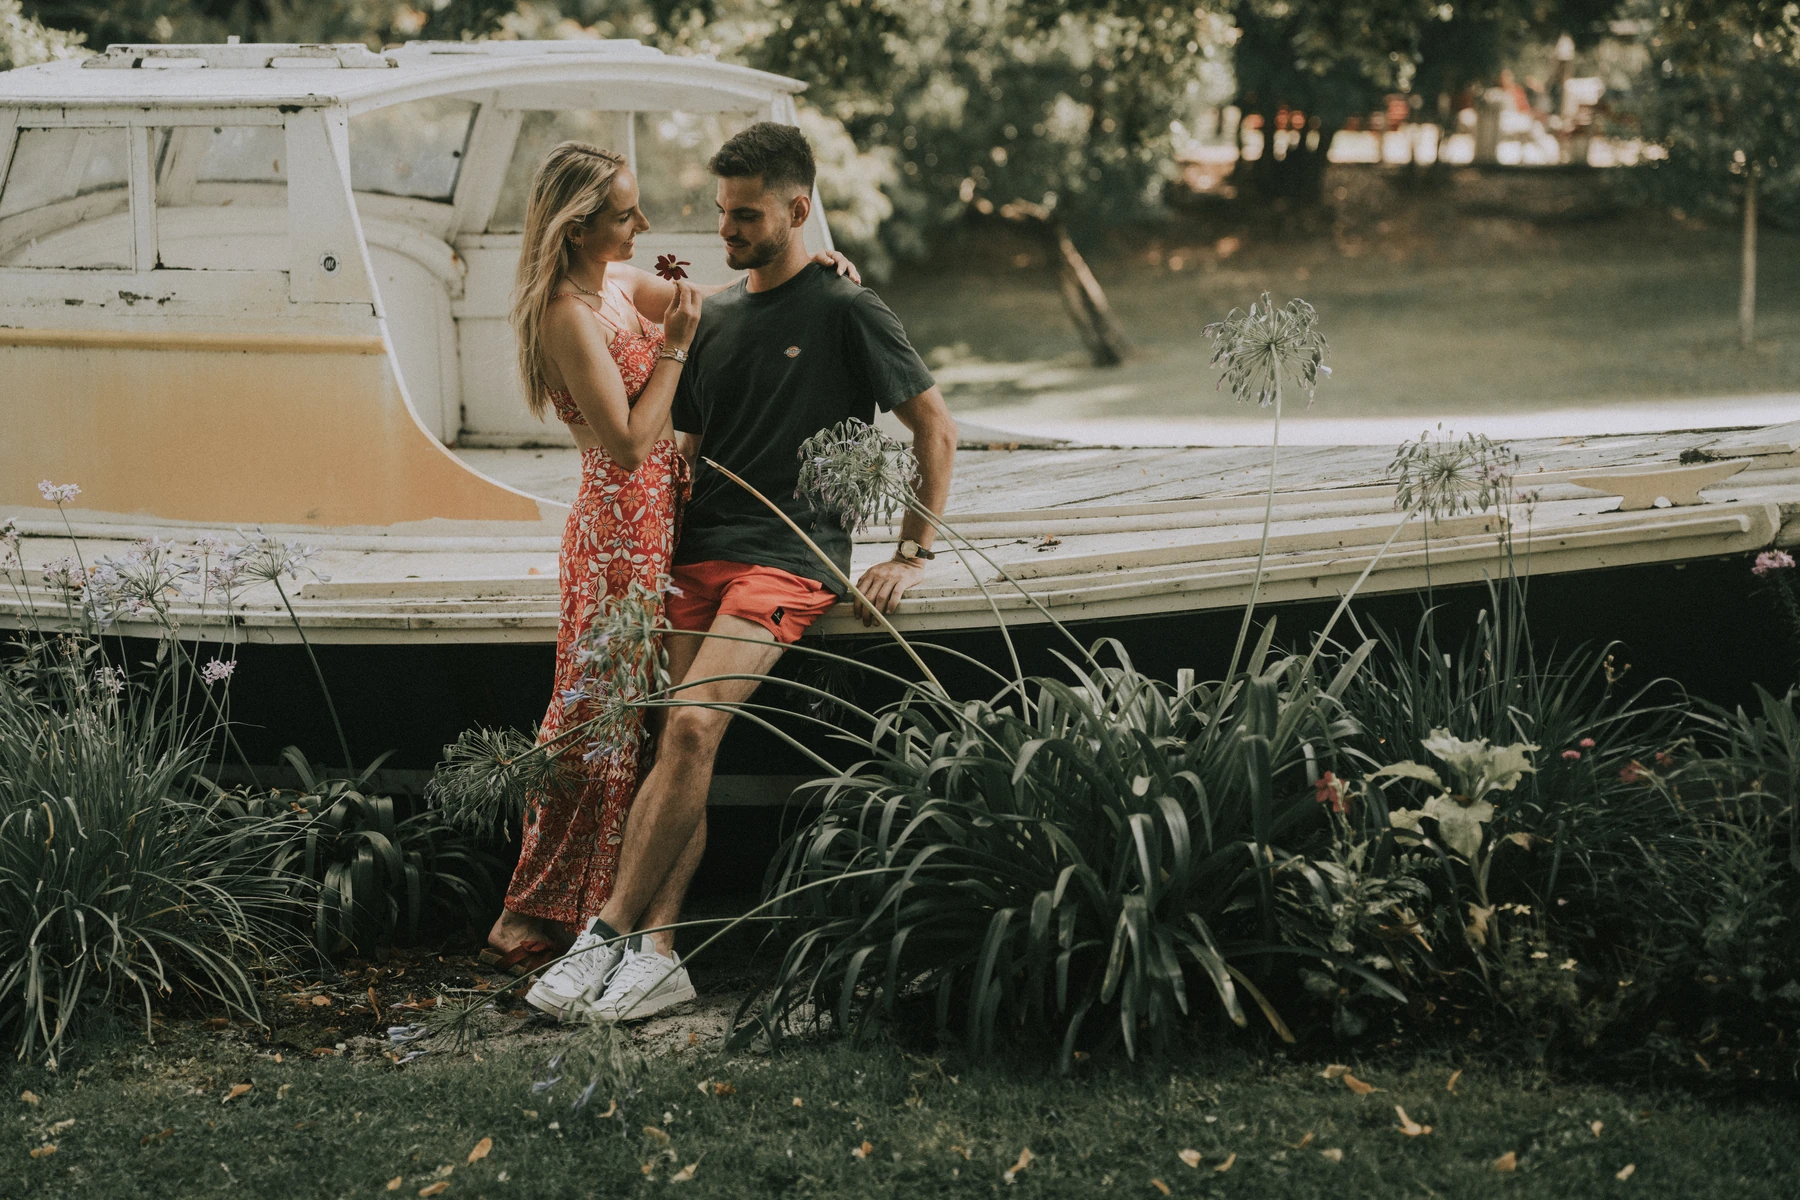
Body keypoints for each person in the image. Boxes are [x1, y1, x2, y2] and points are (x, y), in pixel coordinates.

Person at [528, 122, 959, 1022]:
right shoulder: (713, 317)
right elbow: (685, 439)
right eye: (722, 213)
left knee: (688, 728)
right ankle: (658, 954)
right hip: (698, 556)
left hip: (788, 562)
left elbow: (934, 429)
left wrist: (911, 552)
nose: (726, 230)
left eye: (747, 215)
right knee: (673, 742)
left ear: (800, 211)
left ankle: (602, 937)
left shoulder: (848, 309)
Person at [488, 141, 860, 991]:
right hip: (618, 529)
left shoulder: (617, 286)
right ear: (580, 227)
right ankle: (529, 911)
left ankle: (619, 920)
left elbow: (724, 306)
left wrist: (817, 272)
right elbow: (626, 441)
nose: (645, 225)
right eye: (626, 214)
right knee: (591, 723)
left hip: (669, 526)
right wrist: (676, 350)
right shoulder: (563, 312)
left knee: (646, 729)